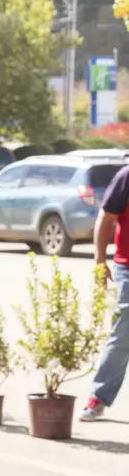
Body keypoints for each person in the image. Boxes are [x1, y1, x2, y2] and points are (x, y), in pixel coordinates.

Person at [84, 163, 129, 421]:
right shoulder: (126, 176)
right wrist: (99, 261)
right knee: (123, 334)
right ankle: (99, 397)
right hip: (128, 267)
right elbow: (107, 217)